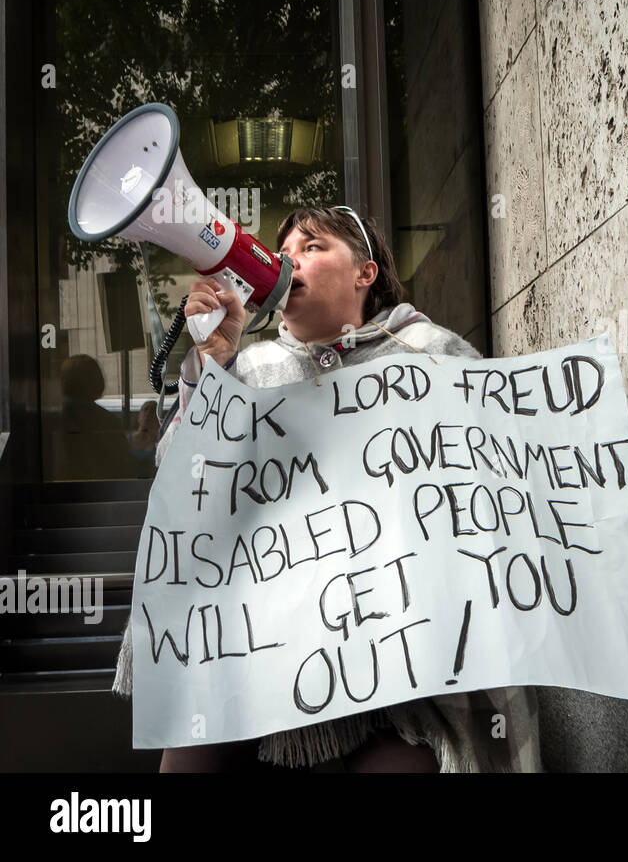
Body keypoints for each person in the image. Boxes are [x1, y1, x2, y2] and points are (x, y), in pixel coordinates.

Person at [112, 205, 541, 773]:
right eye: (284, 253)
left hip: (401, 669)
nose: (291, 260)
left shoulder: (430, 354)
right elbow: (181, 484)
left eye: (312, 247)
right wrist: (210, 367)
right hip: (262, 648)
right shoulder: (250, 366)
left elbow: (490, 497)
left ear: (365, 274)